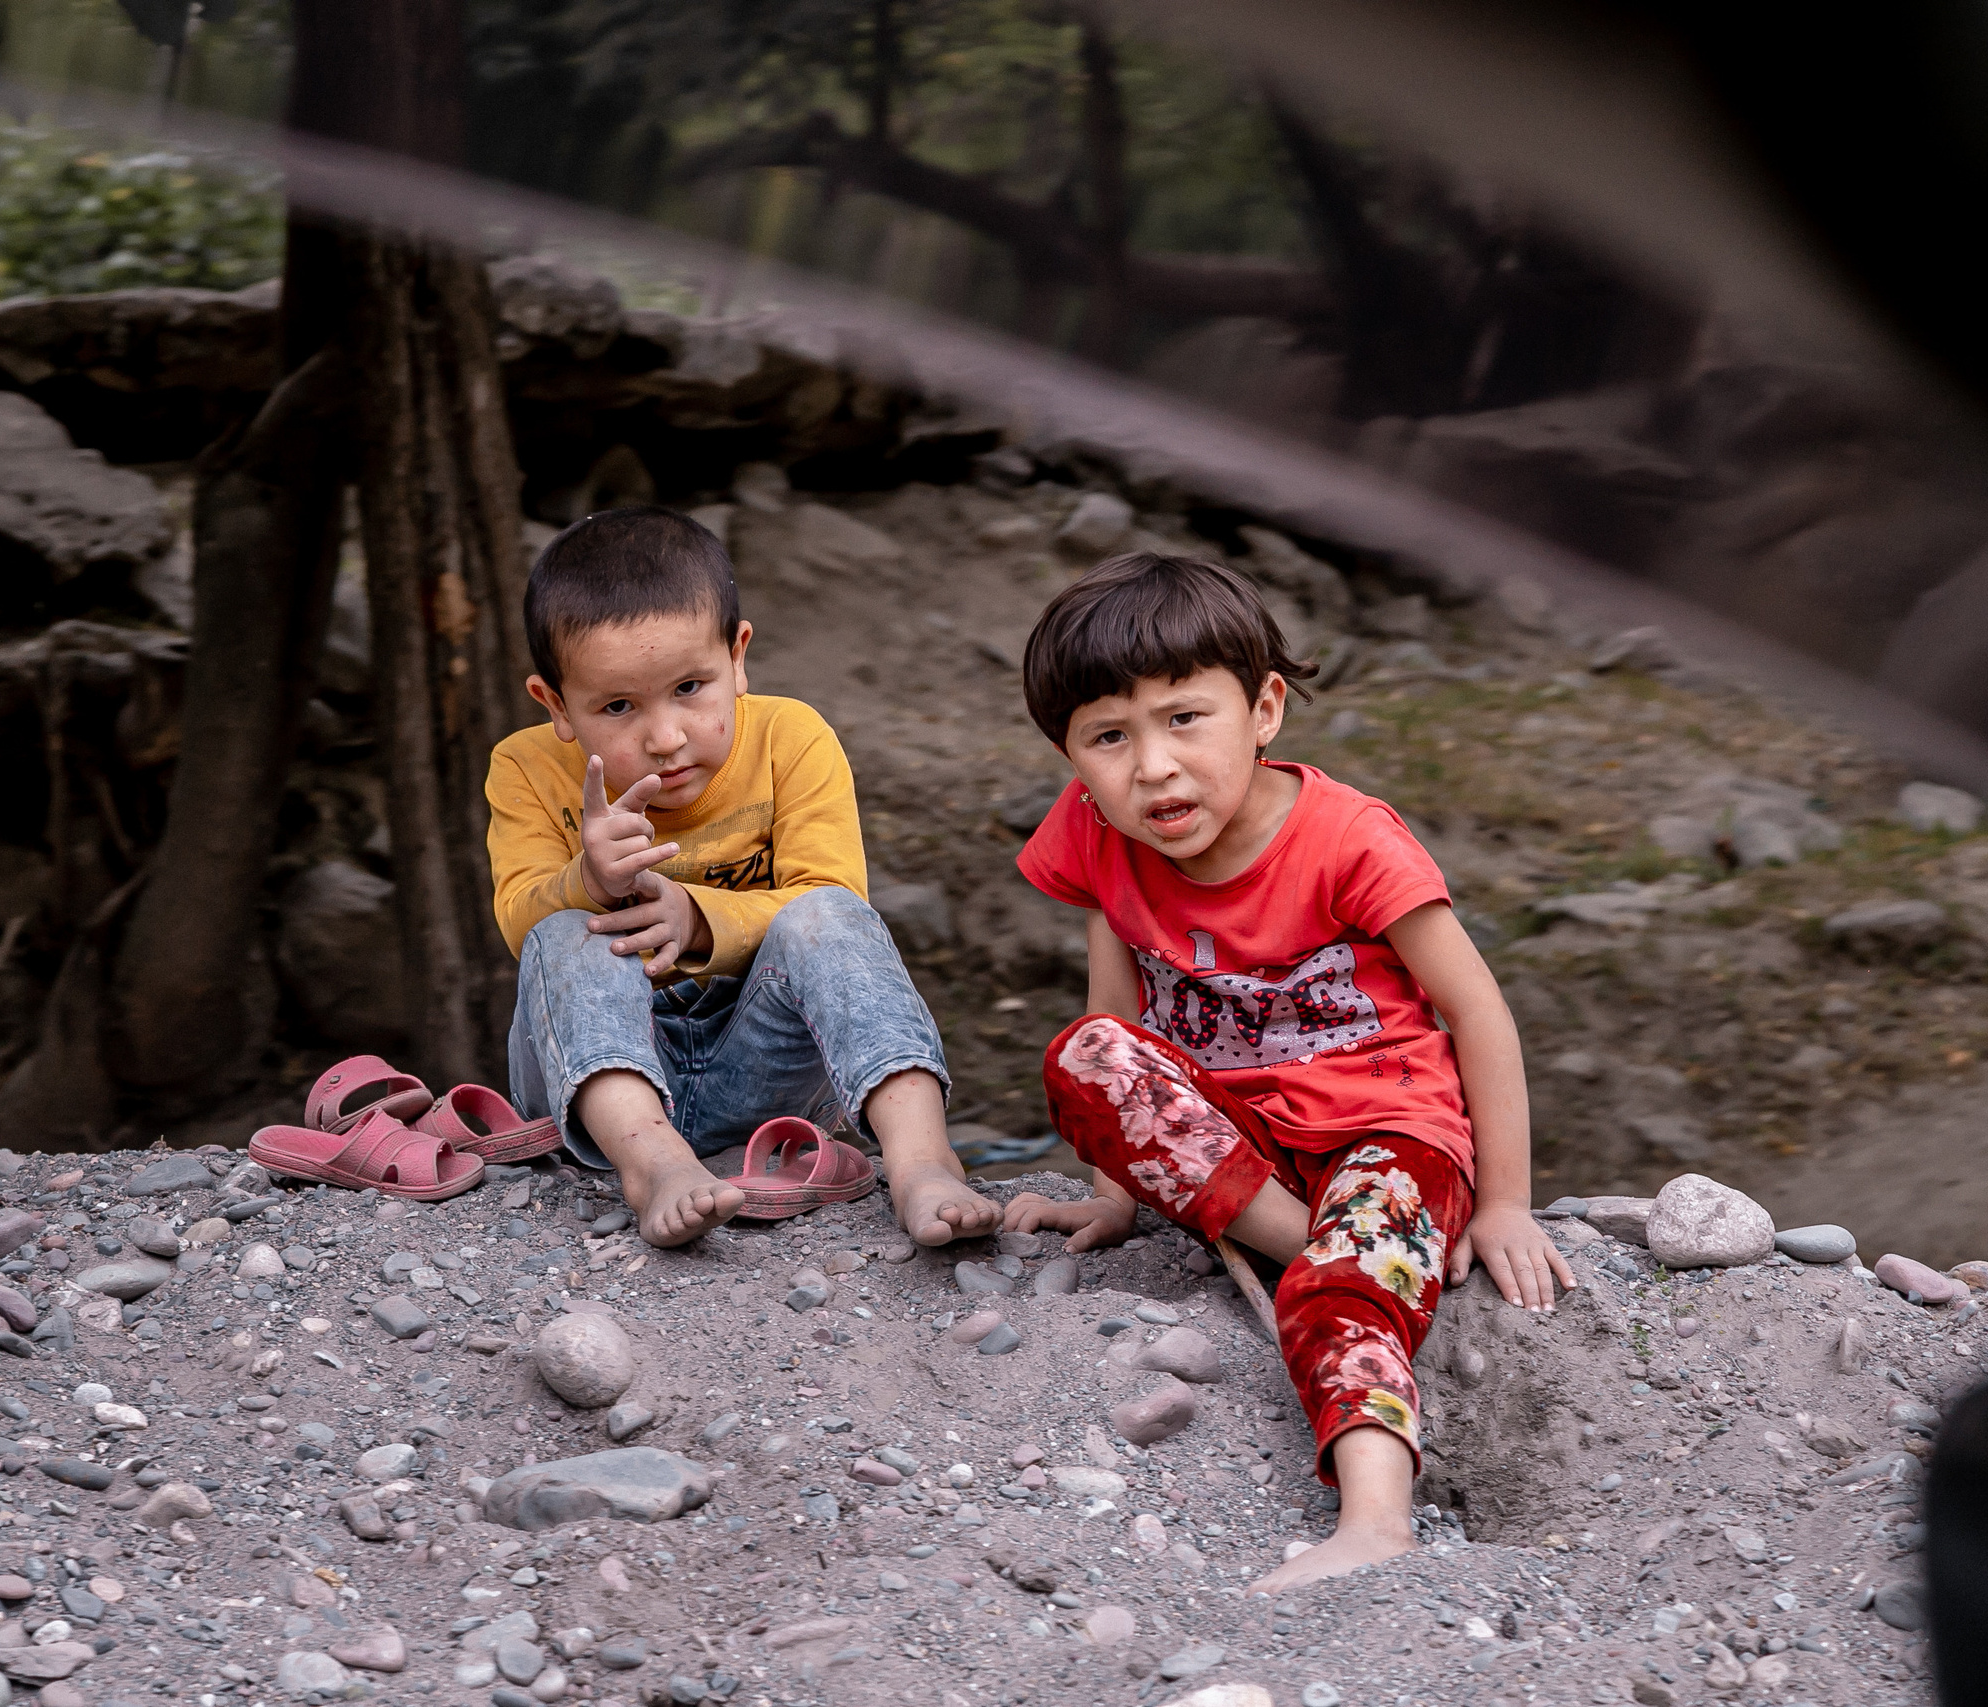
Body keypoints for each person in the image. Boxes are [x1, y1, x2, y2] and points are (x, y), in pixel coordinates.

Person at [998, 551, 1573, 1593]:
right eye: (1109, 738)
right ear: (1069, 755)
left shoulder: (1349, 841)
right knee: (1084, 1057)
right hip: (1241, 1144)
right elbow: (1114, 1003)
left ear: (1263, 708)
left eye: (1185, 719)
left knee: (1346, 1291)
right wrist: (1112, 1198)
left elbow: (1475, 1008)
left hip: (1384, 1135)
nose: (1155, 767)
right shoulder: (1094, 833)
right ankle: (1332, 1250)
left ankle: (1373, 1518)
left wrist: (1505, 1204)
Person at [486, 506, 1000, 1250]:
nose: (665, 738)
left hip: (760, 1066)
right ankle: (652, 1164)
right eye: (619, 706)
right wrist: (586, 879)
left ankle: (923, 1159)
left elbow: (831, 897)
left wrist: (696, 918)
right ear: (557, 704)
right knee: (565, 930)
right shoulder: (525, 769)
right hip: (600, 1073)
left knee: (828, 915)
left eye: (691, 686)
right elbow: (518, 922)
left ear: (738, 656)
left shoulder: (792, 740)